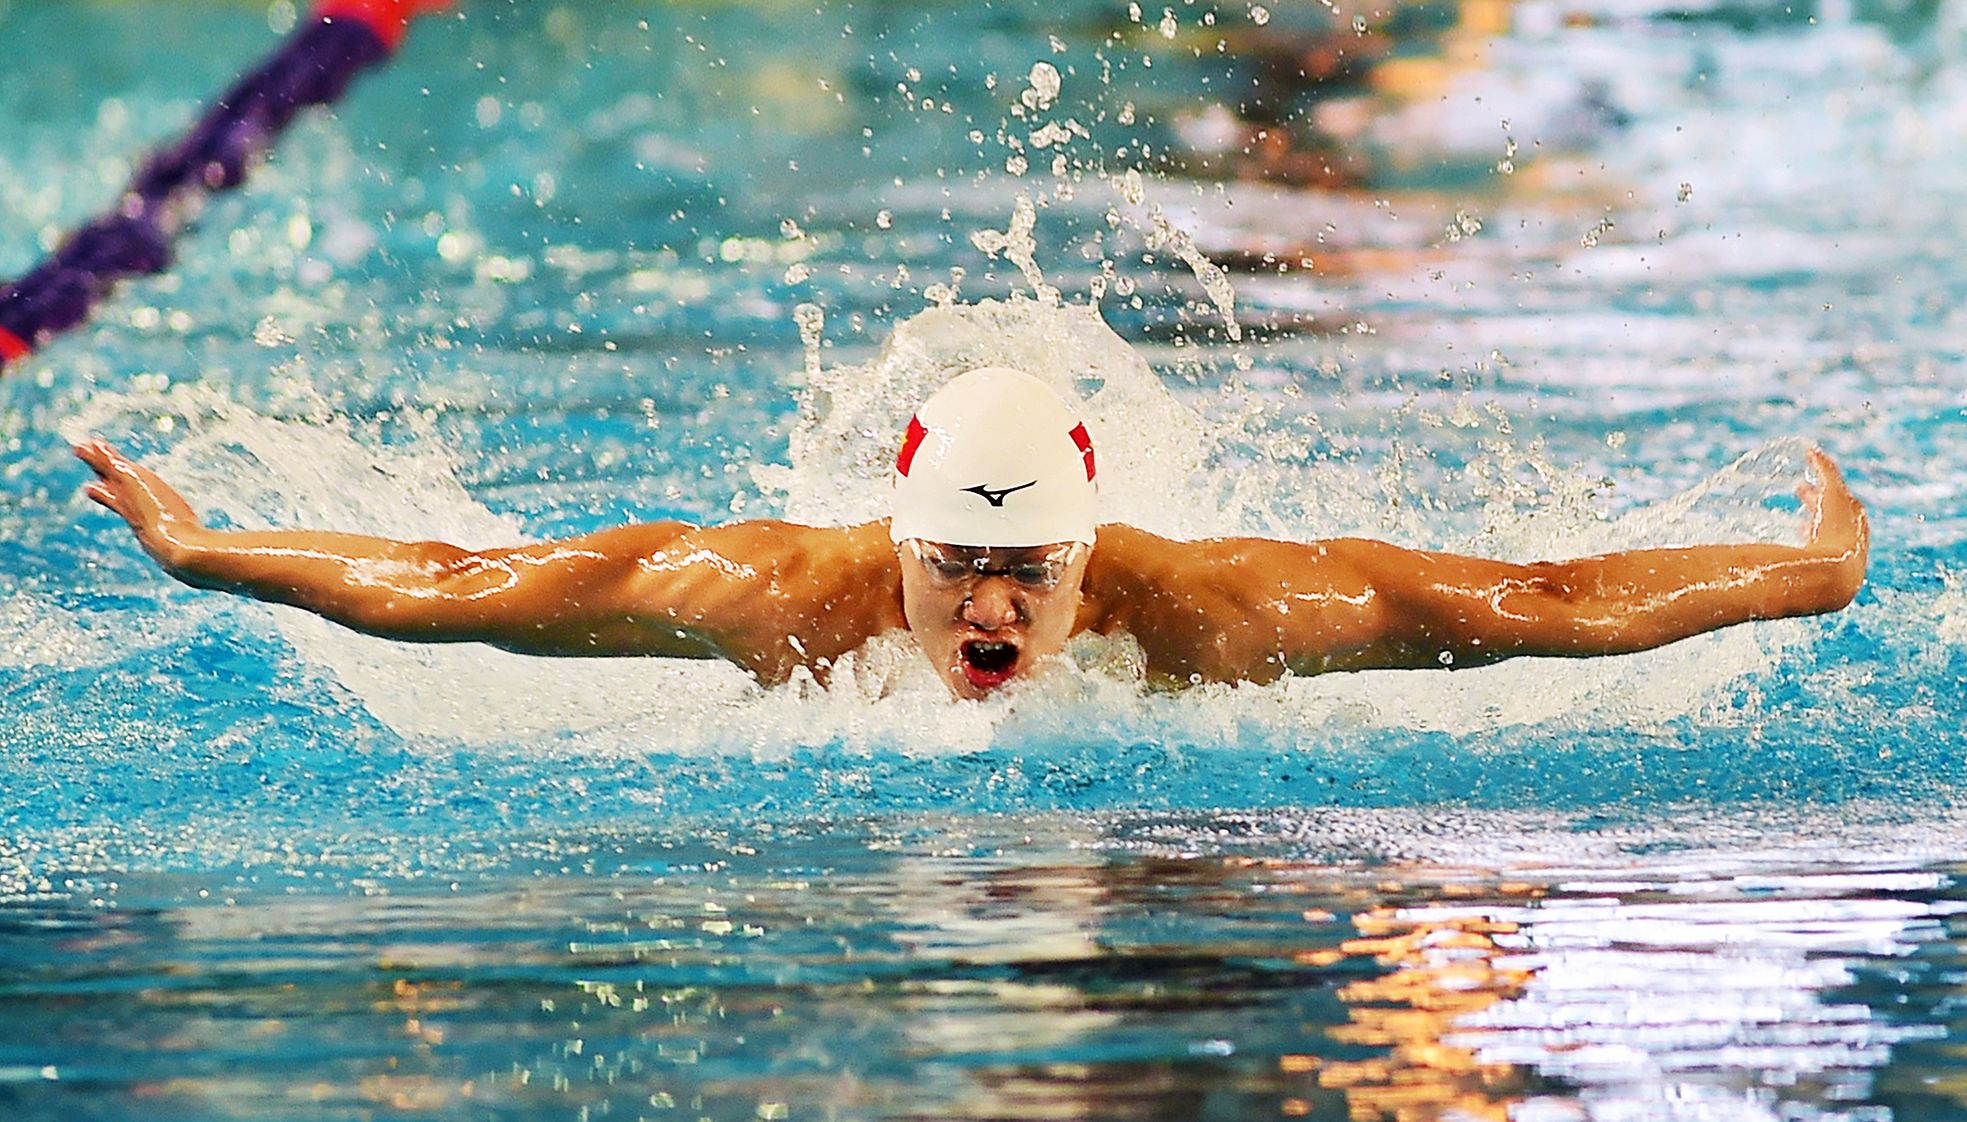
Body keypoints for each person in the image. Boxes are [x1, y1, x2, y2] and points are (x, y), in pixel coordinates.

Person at [74, 367, 1868, 700]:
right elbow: (461, 588)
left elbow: (1540, 597)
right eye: (957, 566)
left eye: (1031, 570)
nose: (992, 605)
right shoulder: (778, 596)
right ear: (901, 540)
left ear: (1091, 552)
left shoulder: (1216, 612)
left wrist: (1807, 575)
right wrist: (207, 549)